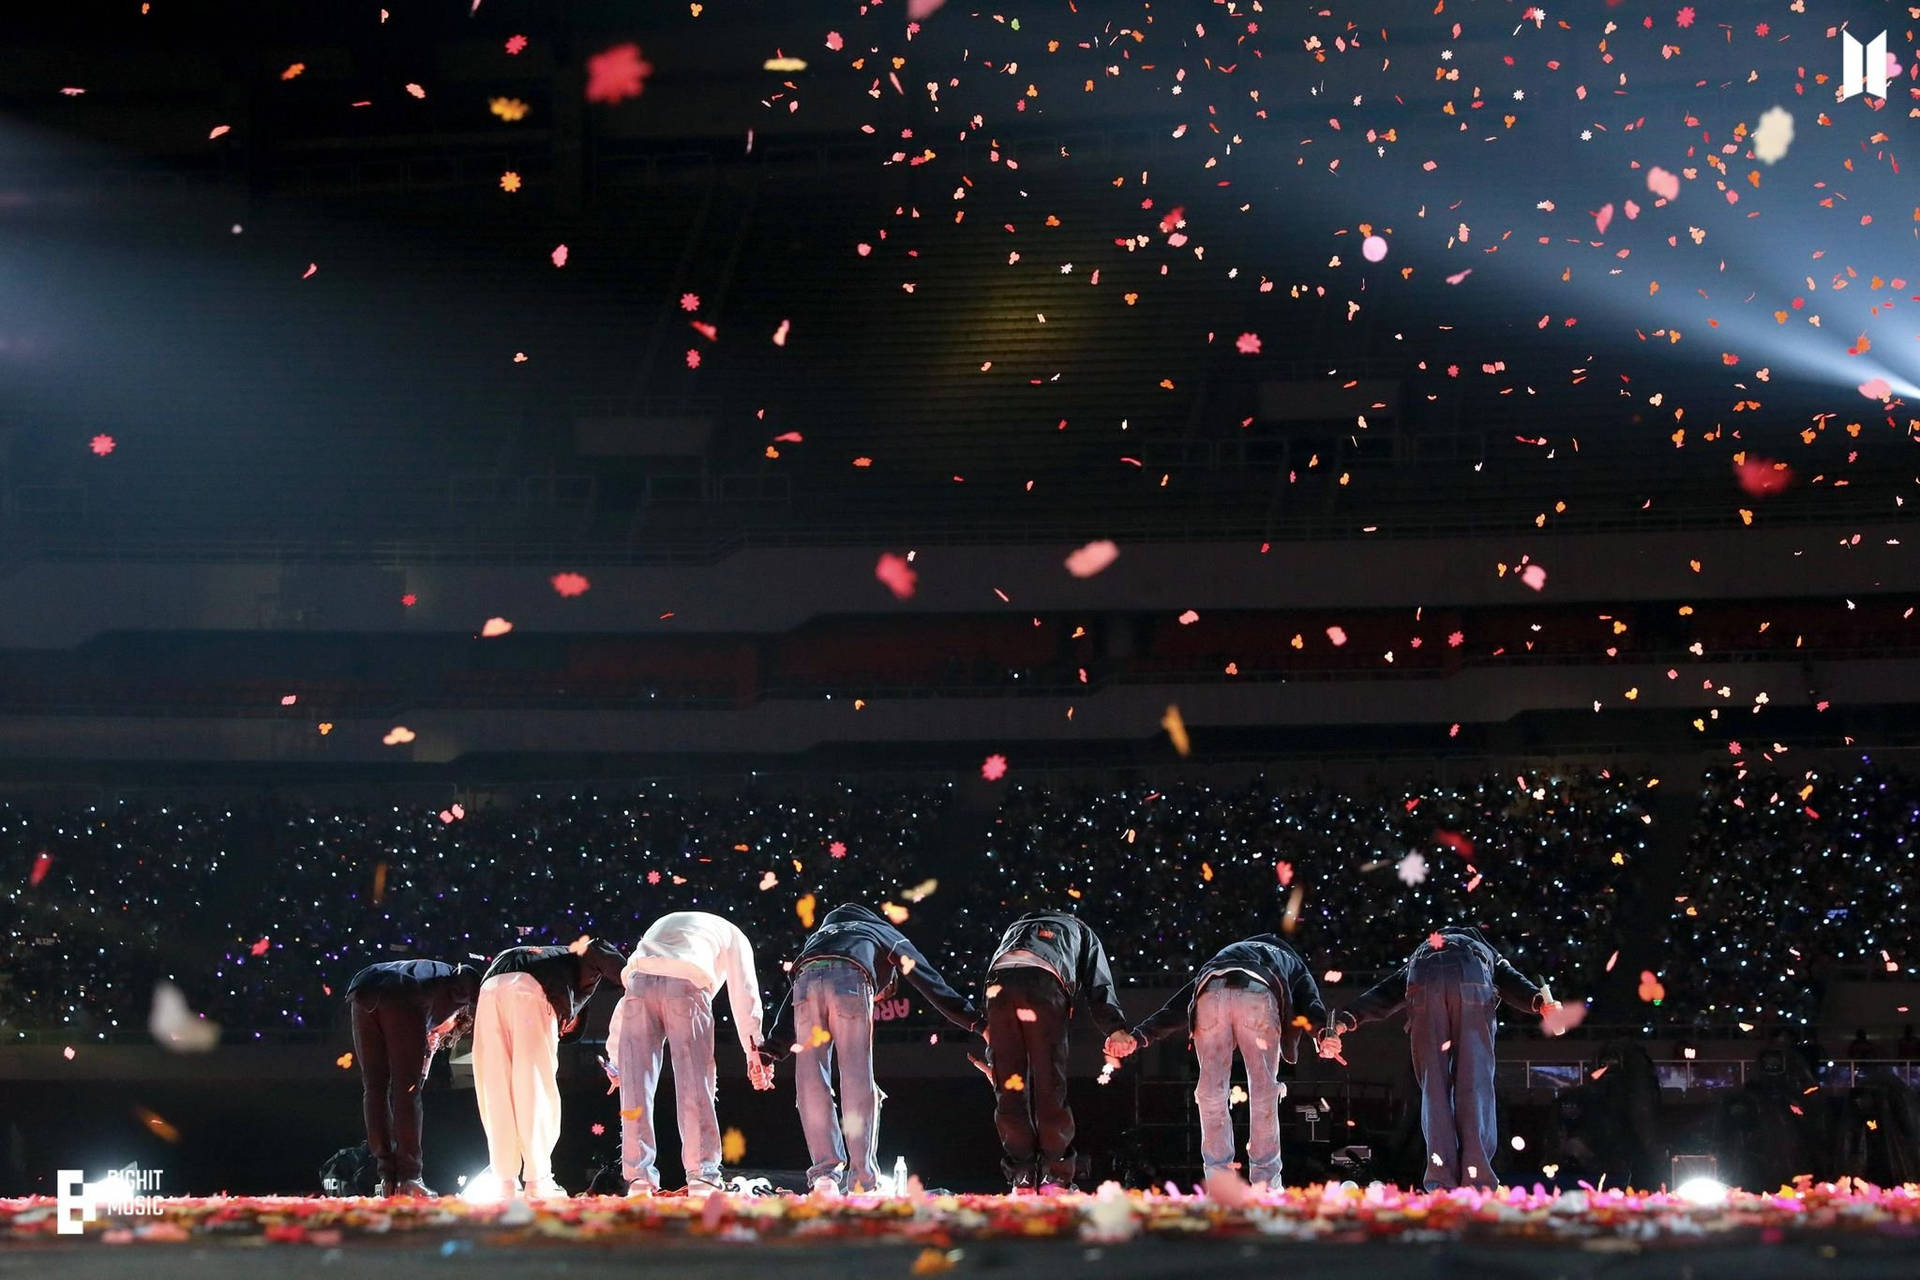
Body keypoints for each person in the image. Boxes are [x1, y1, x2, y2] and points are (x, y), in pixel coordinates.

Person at [1318, 926, 1561, 1191]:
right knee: (1473, 1084)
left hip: (1423, 976)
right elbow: (1511, 980)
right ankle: (1476, 1183)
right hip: (1470, 975)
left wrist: (1340, 1024)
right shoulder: (1484, 950)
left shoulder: (1423, 951)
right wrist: (1541, 1003)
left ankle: (1441, 1183)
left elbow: (1383, 995)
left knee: (1435, 1090)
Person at [764, 904, 982, 1193]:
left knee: (810, 1080)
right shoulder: (882, 930)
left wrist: (772, 1049)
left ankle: (825, 1178)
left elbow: (792, 993)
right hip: (850, 981)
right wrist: (976, 1021)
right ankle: (862, 1180)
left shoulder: (820, 936)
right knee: (857, 1078)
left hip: (806, 981)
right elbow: (927, 979)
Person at [1108, 933, 1327, 1190]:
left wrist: (1140, 1036)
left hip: (1211, 993)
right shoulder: (1293, 962)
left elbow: (1179, 1005)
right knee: (1263, 1091)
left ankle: (1219, 1181)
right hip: (1257, 995)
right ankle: (1267, 1183)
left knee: (1212, 1092)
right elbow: (1311, 1003)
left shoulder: (1225, 956)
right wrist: (1325, 1035)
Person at [607, 911, 774, 1196]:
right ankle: (703, 1176)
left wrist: (615, 1061)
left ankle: (638, 1180)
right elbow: (744, 992)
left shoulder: (663, 923)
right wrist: (755, 1051)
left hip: (638, 984)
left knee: (634, 1089)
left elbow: (626, 1001)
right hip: (685, 984)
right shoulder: (734, 935)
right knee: (695, 1084)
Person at [983, 911, 1129, 1190]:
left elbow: (996, 978)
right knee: (1050, 1086)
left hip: (998, 988)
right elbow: (1098, 982)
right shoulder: (1080, 929)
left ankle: (1022, 1176)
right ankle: (1055, 1175)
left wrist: (996, 1057)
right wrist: (1115, 1028)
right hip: (1042, 985)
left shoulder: (1015, 925)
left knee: (1010, 1091)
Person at [472, 938, 626, 1198]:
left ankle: (505, 1181)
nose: (560, 1030)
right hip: (530, 992)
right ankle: (537, 1179)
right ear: (575, 1017)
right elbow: (596, 946)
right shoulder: (573, 965)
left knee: (495, 1087)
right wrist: (633, 981)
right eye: (565, 1029)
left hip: (488, 992)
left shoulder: (547, 957)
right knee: (534, 1086)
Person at [345, 958, 483, 1196]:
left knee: (374, 1089)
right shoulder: (457, 988)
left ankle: (388, 1178)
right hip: (401, 994)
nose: (434, 1034)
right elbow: (470, 981)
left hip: (362, 990)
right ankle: (410, 1177)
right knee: (406, 1091)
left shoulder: (431, 984)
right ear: (458, 1014)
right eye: (439, 1031)